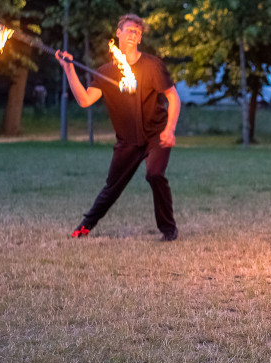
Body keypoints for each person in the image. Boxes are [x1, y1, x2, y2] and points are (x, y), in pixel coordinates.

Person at [56, 14, 181, 241]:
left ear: (140, 39)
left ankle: (169, 230)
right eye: (129, 30)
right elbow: (85, 100)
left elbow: (173, 97)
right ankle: (84, 228)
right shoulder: (105, 72)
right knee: (112, 187)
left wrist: (170, 128)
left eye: (137, 32)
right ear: (118, 33)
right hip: (127, 141)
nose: (133, 35)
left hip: (156, 134)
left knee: (154, 174)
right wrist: (69, 70)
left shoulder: (153, 66)